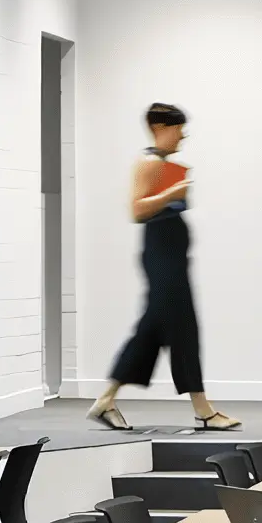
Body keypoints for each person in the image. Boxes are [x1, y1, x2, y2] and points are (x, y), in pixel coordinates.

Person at [89, 102, 237, 435]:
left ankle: (107, 400)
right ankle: (203, 410)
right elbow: (136, 210)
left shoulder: (163, 165)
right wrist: (173, 191)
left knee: (153, 331)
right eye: (177, 130)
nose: (181, 138)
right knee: (181, 328)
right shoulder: (148, 164)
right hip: (161, 257)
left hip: (170, 256)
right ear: (160, 128)